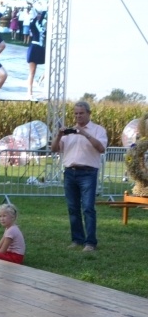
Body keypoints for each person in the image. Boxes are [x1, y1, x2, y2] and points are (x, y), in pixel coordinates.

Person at [50, 101, 108, 252]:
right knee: (73, 208)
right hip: (70, 172)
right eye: (75, 113)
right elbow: (54, 149)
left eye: (81, 113)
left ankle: (90, 243)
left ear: (89, 113)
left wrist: (84, 133)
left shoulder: (98, 130)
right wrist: (59, 135)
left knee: (88, 208)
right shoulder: (69, 132)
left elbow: (101, 148)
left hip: (88, 172)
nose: (78, 116)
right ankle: (77, 239)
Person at [26, 10, 47, 100]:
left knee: (50, 67)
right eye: (37, 14)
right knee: (32, 72)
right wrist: (37, 14)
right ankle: (29, 93)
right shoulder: (33, 23)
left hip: (41, 48)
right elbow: (34, 21)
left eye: (40, 14)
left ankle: (40, 79)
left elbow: (43, 15)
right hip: (34, 48)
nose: (39, 16)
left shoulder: (42, 25)